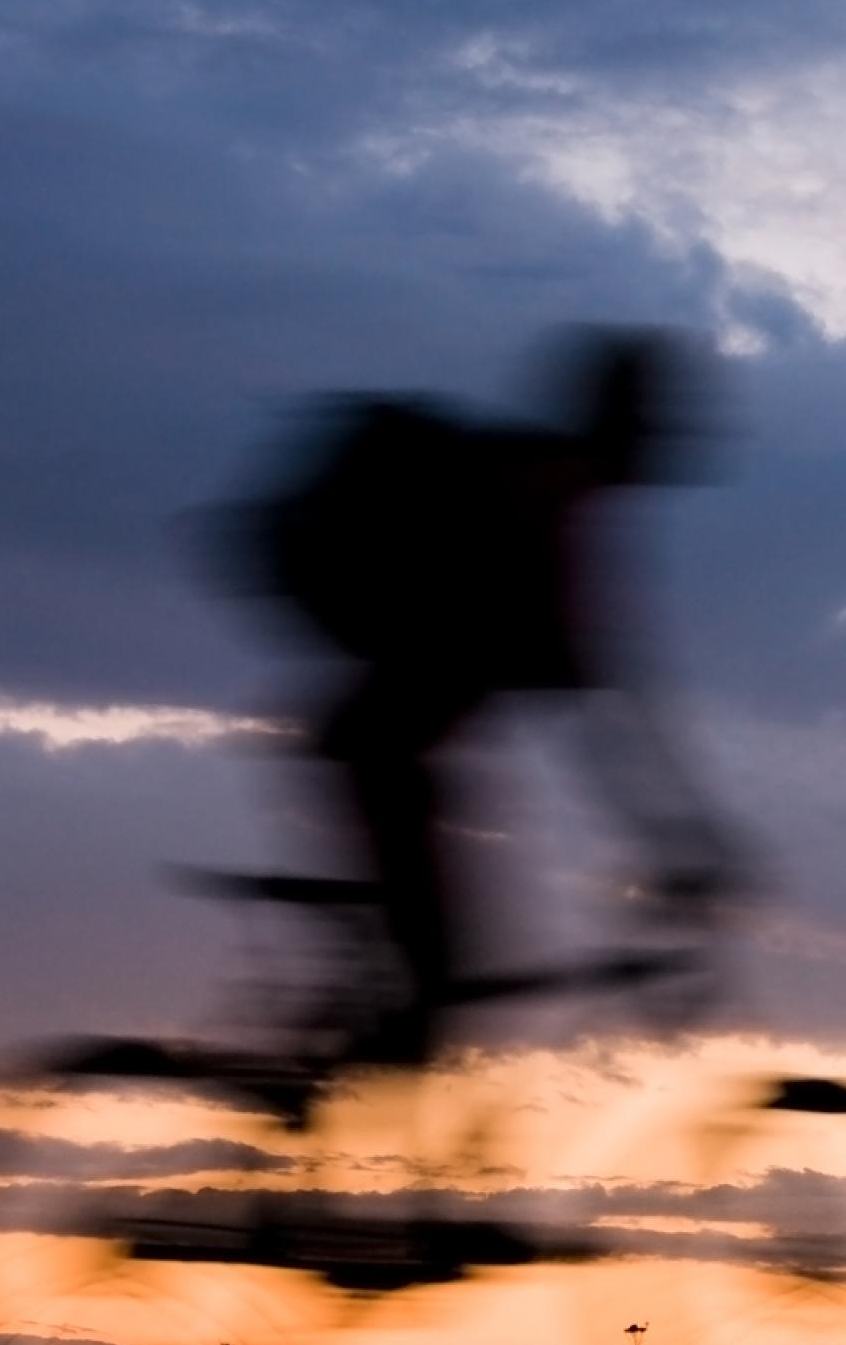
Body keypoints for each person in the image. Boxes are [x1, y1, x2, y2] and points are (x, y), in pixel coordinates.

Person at [234, 327, 740, 1080]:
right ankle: (346, 1126)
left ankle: (372, 1084)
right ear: (632, 430)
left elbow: (601, 698)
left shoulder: (549, 490)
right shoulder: (548, 498)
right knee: (439, 973)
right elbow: (607, 716)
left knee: (443, 968)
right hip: (383, 752)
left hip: (387, 741)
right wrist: (678, 840)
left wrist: (676, 832)